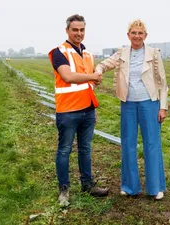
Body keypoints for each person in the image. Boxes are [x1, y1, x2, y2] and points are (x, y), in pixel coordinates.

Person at [95, 19, 168, 200]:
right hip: (127, 103)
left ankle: (155, 188)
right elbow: (104, 65)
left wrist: (163, 107)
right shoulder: (122, 53)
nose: (137, 36)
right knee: (127, 143)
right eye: (133, 33)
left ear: (145, 36)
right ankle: (129, 186)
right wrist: (97, 70)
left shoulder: (154, 54)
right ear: (128, 35)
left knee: (152, 144)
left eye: (140, 33)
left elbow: (163, 83)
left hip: (149, 103)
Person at [48, 14, 108, 206]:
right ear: (67, 31)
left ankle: (87, 185)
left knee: (85, 149)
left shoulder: (88, 54)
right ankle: (64, 189)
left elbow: (88, 85)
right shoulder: (59, 52)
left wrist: (93, 109)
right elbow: (67, 76)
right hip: (68, 111)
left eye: (82, 30)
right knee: (64, 150)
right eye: (75, 29)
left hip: (88, 111)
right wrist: (93, 76)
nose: (79, 33)